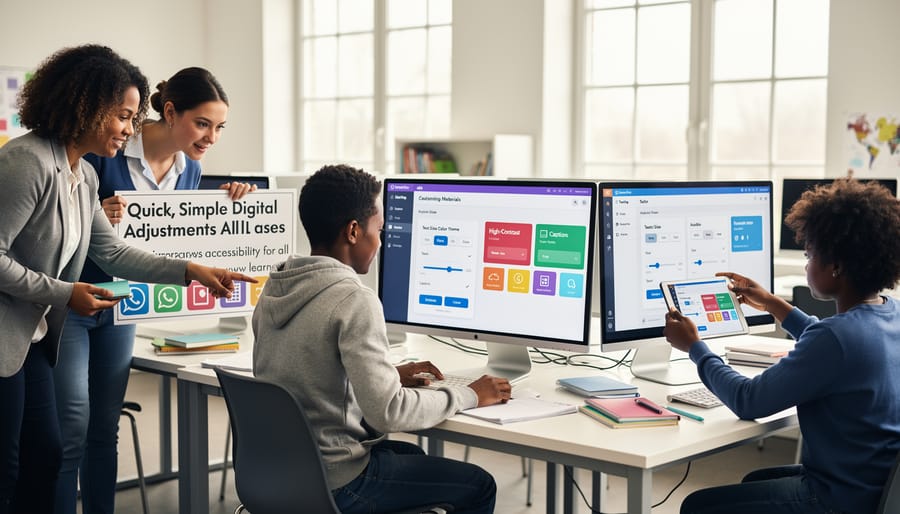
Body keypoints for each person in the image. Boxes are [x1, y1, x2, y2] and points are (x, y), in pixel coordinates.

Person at [0, 44, 255, 514]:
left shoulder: (81, 175)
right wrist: (65, 293)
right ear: (85, 107)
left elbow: (113, 252)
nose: (129, 128)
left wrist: (192, 272)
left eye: (133, 117)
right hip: (17, 332)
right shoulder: (27, 161)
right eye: (122, 116)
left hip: (38, 333)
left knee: (47, 454)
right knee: (18, 464)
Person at [252, 165, 510, 513]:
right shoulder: (354, 299)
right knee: (479, 485)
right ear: (353, 231)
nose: (382, 241)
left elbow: (309, 372)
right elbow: (389, 412)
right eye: (379, 229)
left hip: (281, 473)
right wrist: (471, 394)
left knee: (411, 455)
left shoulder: (277, 287)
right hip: (336, 483)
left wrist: (389, 375)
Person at [663, 178, 900, 514]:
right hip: (872, 487)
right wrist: (773, 303)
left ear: (836, 267)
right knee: (754, 481)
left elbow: (747, 400)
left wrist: (695, 348)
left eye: (810, 254)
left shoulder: (835, 339)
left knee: (697, 506)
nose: (806, 264)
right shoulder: (891, 313)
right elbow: (832, 342)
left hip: (837, 499)